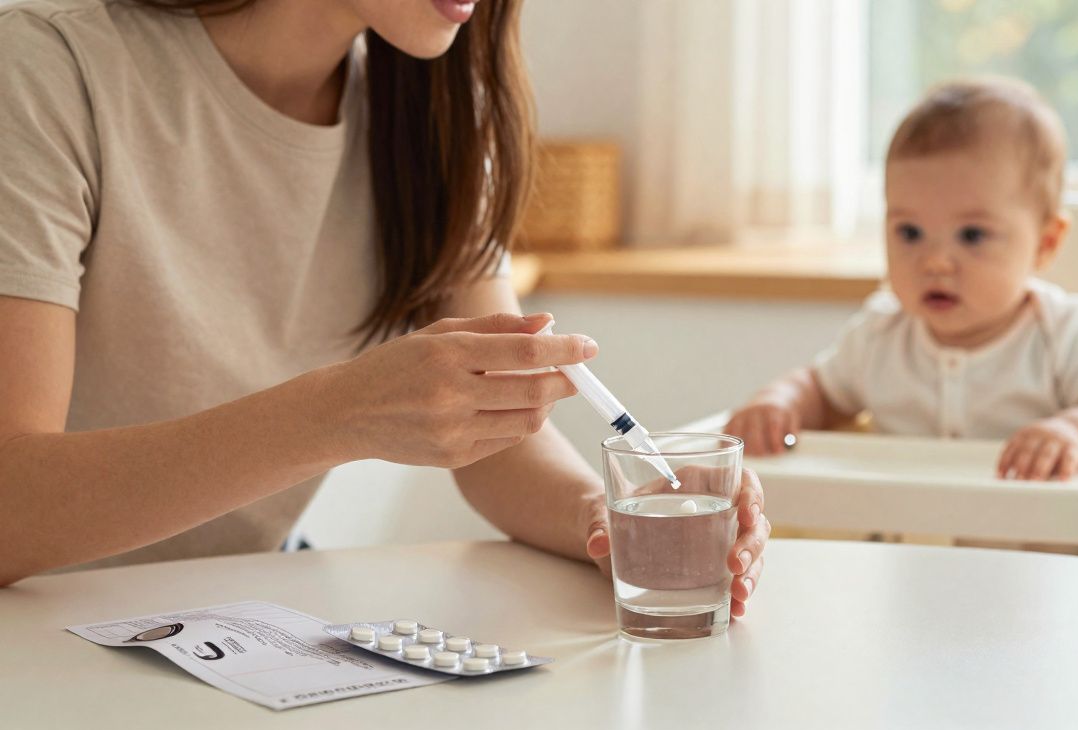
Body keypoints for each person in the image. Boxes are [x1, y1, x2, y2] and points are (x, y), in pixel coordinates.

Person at [0, 0, 769, 612]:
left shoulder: (435, 116)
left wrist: (602, 521)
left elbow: (501, 438)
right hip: (39, 628)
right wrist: (335, 413)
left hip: (238, 617)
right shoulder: (47, 69)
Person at [726, 78, 1078, 483]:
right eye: (909, 233)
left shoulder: (1063, 332)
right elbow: (819, 391)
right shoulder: (881, 335)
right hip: (904, 551)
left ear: (1045, 244)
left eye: (972, 236)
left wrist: (1076, 431)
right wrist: (779, 403)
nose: (934, 262)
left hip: (1032, 552)